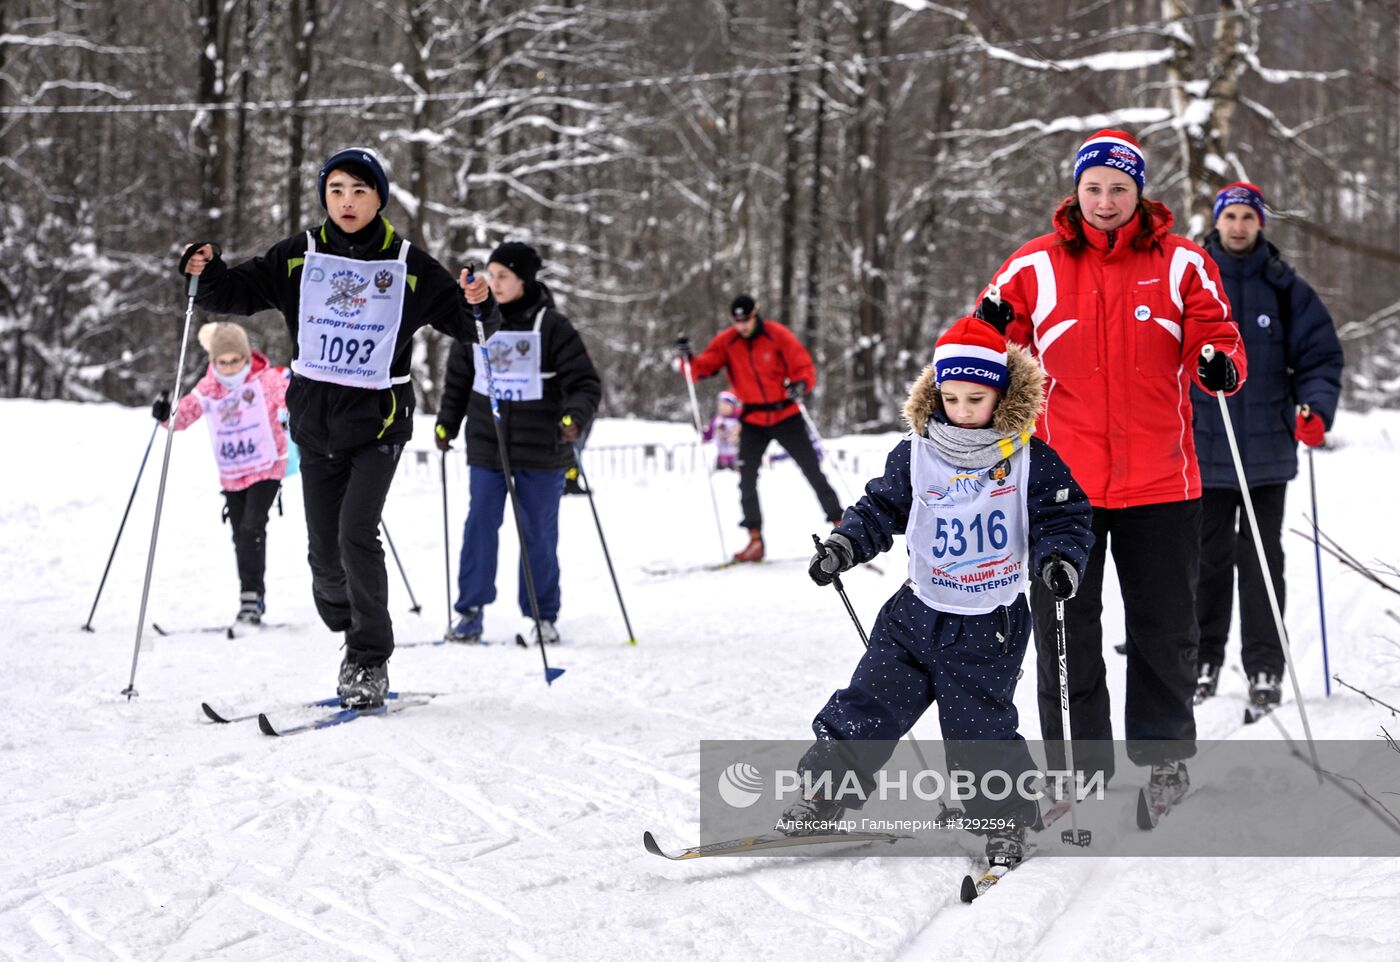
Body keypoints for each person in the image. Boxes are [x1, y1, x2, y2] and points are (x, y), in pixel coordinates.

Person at [976, 129, 1247, 804]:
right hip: (1061, 488)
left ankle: (1162, 761)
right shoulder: (1034, 266)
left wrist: (1219, 364)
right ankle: (1075, 764)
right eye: (1093, 187)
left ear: (1139, 193)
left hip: (1163, 482)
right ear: (1076, 190)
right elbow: (980, 345)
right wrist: (983, 330)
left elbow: (1218, 335)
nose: (1104, 201)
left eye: (1118, 189)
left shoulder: (1184, 263)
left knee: (1164, 626)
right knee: (1066, 627)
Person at [179, 145, 498, 708]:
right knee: (325, 555)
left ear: (379, 198)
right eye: (336, 191)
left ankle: (368, 658)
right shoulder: (298, 256)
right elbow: (235, 294)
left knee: (356, 533)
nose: (347, 203)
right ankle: (345, 615)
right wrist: (207, 272)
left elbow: (470, 323)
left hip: (378, 426)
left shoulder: (407, 265)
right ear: (324, 196)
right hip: (314, 425)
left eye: (359, 191)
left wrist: (480, 301)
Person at [778, 316, 1094, 868]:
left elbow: (1065, 518)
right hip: (915, 611)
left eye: (977, 398)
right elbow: (880, 508)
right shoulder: (916, 451)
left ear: (1002, 393)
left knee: (979, 731)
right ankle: (823, 793)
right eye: (951, 397)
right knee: (868, 703)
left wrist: (1060, 559)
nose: (964, 410)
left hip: (986, 621)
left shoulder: (1029, 457)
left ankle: (1005, 824)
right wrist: (844, 547)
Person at [1191, 182, 1344, 711]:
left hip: (1267, 457)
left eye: (1247, 218)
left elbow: (1320, 358)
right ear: (1217, 221)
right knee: (1207, 563)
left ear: (1261, 224)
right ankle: (1203, 660)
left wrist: (1314, 409)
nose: (1238, 226)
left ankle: (1264, 668)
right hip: (1203, 452)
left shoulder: (1285, 287)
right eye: (1230, 216)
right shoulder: (1192, 278)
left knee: (1260, 562)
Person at [435, 241, 602, 646]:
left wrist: (574, 418)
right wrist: (447, 423)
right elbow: (458, 378)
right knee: (480, 526)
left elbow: (584, 383)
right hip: (487, 446)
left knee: (538, 534)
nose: (494, 283)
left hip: (542, 449)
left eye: (503, 276)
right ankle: (470, 612)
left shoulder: (551, 325)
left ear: (524, 280)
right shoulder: (474, 321)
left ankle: (542, 615)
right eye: (491, 275)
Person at [677, 295, 843, 562]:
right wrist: (687, 359)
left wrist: (800, 384)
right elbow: (701, 370)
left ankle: (842, 527)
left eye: (747, 319)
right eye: (737, 321)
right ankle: (755, 539)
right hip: (753, 419)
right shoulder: (727, 341)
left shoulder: (777, 335)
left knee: (812, 470)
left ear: (756, 314)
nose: (742, 326)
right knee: (746, 478)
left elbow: (802, 365)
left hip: (785, 414)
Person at [155, 321, 289, 625]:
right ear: (213, 361)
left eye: (235, 360)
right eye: (222, 362)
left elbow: (292, 397)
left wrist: (309, 405)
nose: (228, 368)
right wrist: (166, 414)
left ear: (245, 356)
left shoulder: (265, 380)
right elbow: (184, 415)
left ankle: (251, 600)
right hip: (232, 470)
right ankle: (251, 593)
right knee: (240, 532)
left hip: (267, 464)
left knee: (252, 527)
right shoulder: (209, 386)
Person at [702, 390, 743, 470]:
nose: (722, 408)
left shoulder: (738, 419)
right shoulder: (717, 419)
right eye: (720, 405)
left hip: (737, 456)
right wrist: (705, 436)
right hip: (721, 455)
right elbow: (710, 430)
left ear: (732, 406)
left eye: (725, 405)